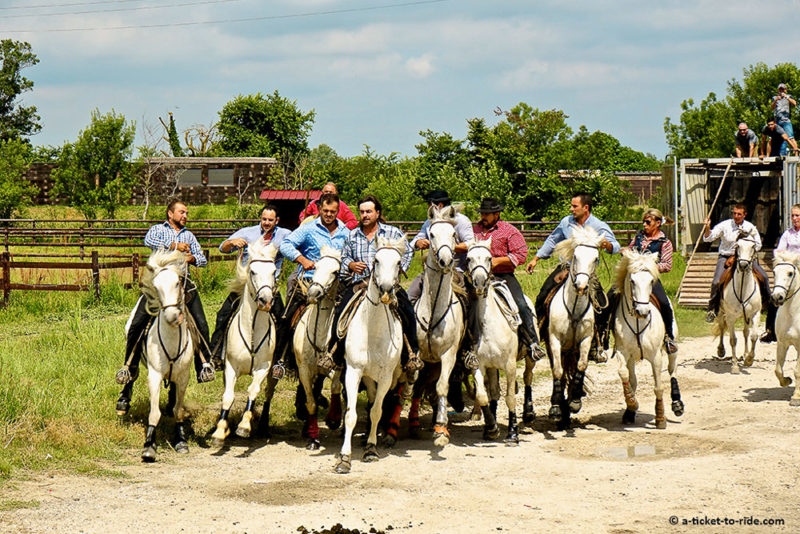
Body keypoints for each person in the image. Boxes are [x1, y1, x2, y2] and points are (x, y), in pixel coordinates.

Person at [115, 200, 215, 415]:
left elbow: (202, 260)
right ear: (170, 213)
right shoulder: (158, 230)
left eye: (186, 212)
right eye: (181, 212)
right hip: (157, 286)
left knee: (201, 324)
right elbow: (148, 240)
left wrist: (190, 257)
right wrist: (174, 247)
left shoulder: (189, 236)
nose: (185, 215)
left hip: (182, 286)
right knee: (136, 323)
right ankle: (128, 368)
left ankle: (203, 365)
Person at [321, 194, 423, 374]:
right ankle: (333, 355)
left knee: (407, 311)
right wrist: (351, 265)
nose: (365, 215)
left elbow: (407, 252)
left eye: (369, 211)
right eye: (361, 212)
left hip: (388, 285)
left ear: (377, 213)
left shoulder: (393, 233)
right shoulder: (352, 235)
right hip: (360, 285)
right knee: (341, 312)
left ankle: (411, 354)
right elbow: (344, 257)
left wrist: (398, 269)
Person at [527, 193, 620, 360]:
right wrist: (536, 258)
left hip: (587, 271)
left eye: (574, 206)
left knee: (602, 304)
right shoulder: (566, 222)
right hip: (566, 267)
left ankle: (598, 343)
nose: (571, 209)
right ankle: (540, 337)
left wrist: (606, 244)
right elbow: (552, 240)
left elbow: (616, 246)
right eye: (571, 206)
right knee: (543, 295)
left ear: (586, 208)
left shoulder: (598, 225)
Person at [209, 204, 291, 377]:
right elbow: (222, 248)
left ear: (277, 220)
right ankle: (215, 356)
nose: (266, 223)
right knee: (223, 314)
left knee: (283, 319)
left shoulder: (285, 235)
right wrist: (232, 242)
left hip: (270, 287)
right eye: (264, 219)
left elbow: (296, 245)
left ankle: (279, 362)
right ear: (260, 219)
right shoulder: (248, 232)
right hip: (246, 286)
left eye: (270, 220)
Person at [464, 197, 544, 364]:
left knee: (521, 304)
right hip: (475, 277)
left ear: (497, 214)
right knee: (462, 306)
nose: (483, 216)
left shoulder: (509, 231)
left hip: (503, 276)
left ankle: (532, 343)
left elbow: (521, 255)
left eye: (487, 214)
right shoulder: (473, 231)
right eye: (482, 213)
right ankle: (466, 348)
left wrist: (497, 261)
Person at [278, 192, 351, 367]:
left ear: (338, 211)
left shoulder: (346, 233)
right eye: (325, 210)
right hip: (309, 281)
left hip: (338, 283)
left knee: (352, 318)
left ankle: (343, 359)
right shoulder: (309, 228)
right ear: (319, 209)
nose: (328, 214)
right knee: (288, 316)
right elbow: (285, 244)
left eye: (333, 211)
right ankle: (282, 358)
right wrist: (302, 259)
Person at [603, 209, 678, 354]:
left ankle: (668, 337)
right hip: (632, 278)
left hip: (650, 279)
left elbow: (667, 265)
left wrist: (648, 266)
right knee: (610, 297)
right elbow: (631, 251)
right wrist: (626, 252)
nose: (644, 225)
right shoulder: (638, 237)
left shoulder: (665, 242)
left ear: (657, 223)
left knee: (664, 303)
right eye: (643, 222)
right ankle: (604, 334)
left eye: (648, 222)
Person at [702, 203, 776, 342]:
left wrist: (749, 247)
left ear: (744, 215)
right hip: (726, 256)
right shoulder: (725, 225)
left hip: (746, 257)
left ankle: (766, 302)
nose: (736, 216)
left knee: (764, 276)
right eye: (734, 213)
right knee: (717, 281)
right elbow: (709, 237)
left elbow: (758, 245)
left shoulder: (750, 228)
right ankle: (713, 308)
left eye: (739, 214)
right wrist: (707, 227)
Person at [407, 189, 474, 302]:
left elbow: (470, 244)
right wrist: (418, 243)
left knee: (469, 303)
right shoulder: (429, 222)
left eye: (429, 205)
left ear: (439, 205)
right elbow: (414, 241)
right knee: (409, 296)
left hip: (457, 270)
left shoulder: (462, 221)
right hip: (431, 270)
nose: (427, 208)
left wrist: (448, 247)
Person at [771, 83, 796, 156]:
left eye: (783, 89)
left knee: (790, 137)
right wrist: (775, 100)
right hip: (777, 121)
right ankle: (779, 154)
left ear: (785, 90)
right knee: (777, 138)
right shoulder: (774, 97)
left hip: (786, 121)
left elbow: (794, 104)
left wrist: (787, 97)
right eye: (780, 89)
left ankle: (797, 154)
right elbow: (772, 108)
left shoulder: (789, 96)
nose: (781, 90)